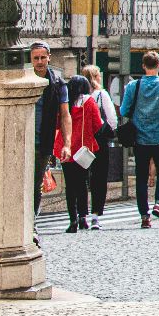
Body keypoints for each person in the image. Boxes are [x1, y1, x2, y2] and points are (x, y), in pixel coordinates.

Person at [121, 51, 159, 227]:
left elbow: (124, 111)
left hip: (140, 138)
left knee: (141, 176)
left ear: (143, 66)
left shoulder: (133, 86)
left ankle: (144, 217)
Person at [30, 43, 71, 215]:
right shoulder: (25, 79)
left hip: (43, 141)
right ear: (31, 59)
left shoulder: (57, 83)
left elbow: (65, 114)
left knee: (36, 184)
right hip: (22, 140)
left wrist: (67, 144)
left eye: (42, 57)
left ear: (49, 57)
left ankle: (32, 223)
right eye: (36, 58)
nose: (39, 61)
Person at [55, 76, 101, 234]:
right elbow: (97, 124)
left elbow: (57, 122)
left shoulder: (65, 103)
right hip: (83, 148)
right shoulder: (89, 102)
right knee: (82, 184)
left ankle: (72, 219)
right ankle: (83, 217)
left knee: (70, 185)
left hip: (65, 148)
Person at [80, 65, 117, 224]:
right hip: (99, 140)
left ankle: (81, 214)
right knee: (99, 178)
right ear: (96, 77)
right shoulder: (101, 95)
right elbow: (112, 120)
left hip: (81, 141)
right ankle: (95, 214)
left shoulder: (78, 96)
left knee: (81, 178)